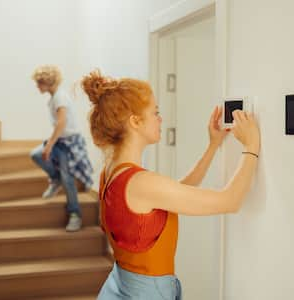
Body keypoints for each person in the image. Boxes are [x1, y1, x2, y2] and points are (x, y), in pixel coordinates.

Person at [81, 69, 260, 299]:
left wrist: (213, 146)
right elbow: (230, 201)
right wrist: (251, 144)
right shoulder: (142, 183)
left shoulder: (112, 171)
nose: (160, 119)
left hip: (120, 286)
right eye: (155, 112)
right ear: (135, 121)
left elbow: (175, 194)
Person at [31, 65, 93, 232]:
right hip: (61, 140)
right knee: (36, 154)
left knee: (68, 178)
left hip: (69, 143)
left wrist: (49, 145)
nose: (37, 86)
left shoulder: (60, 97)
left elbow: (62, 123)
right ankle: (55, 178)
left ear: (48, 82)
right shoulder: (53, 97)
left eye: (39, 83)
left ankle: (75, 215)